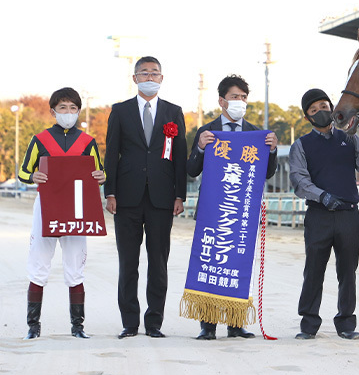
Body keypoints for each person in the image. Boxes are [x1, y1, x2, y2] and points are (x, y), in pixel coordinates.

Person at [187, 74, 278, 340]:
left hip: (242, 212)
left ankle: (236, 324)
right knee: (210, 261)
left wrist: (271, 151)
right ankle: (208, 324)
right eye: (234, 97)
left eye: (243, 97)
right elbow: (192, 169)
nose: (239, 102)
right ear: (221, 101)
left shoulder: (255, 133)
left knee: (238, 263)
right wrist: (201, 148)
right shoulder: (207, 130)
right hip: (212, 210)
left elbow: (268, 173)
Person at [290, 88, 359, 340]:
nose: (320, 111)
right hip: (319, 215)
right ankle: (308, 324)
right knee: (314, 269)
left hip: (348, 216)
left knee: (347, 271)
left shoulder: (351, 140)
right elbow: (299, 181)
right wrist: (322, 195)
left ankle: (346, 323)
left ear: (332, 107)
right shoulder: (301, 145)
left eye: (324, 106)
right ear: (307, 117)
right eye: (313, 110)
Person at [104, 56, 187, 339]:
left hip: (162, 199)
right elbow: (111, 154)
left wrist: (180, 195)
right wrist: (110, 192)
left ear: (162, 78)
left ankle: (154, 322)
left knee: (158, 262)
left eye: (155, 74)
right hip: (126, 197)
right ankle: (130, 322)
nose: (150, 78)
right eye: (144, 73)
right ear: (135, 78)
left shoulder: (173, 112)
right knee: (128, 262)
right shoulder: (120, 111)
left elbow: (179, 157)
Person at [18, 87, 105, 340]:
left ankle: (78, 327)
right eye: (63, 108)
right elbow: (24, 171)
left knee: (75, 266)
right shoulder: (40, 139)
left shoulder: (87, 141)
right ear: (53, 111)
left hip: (78, 210)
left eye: (73, 108)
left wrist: (102, 177)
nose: (68, 112)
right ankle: (33, 327)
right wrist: (33, 176)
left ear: (78, 111)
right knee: (39, 264)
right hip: (46, 208)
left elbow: (99, 173)